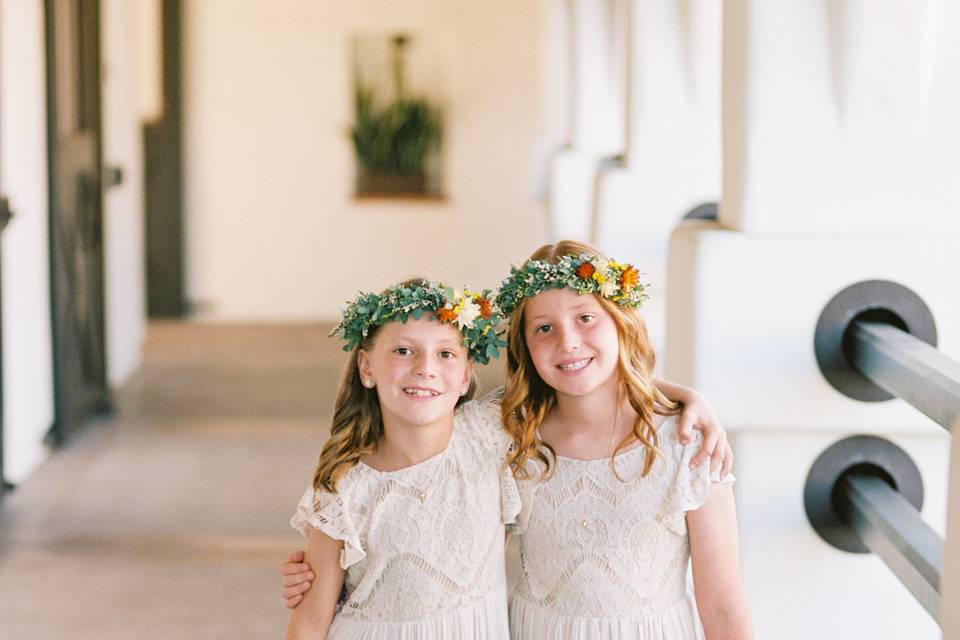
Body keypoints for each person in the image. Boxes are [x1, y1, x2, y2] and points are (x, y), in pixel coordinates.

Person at [497, 241, 752, 638]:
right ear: (525, 347)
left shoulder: (687, 442)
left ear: (621, 321)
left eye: (585, 317)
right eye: (544, 328)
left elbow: (722, 606)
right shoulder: (512, 438)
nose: (568, 342)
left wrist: (682, 397)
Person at [286, 280, 517, 639]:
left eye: (445, 354)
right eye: (403, 351)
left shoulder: (489, 433)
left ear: (465, 375)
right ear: (367, 367)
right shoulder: (345, 486)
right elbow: (309, 623)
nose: (426, 368)